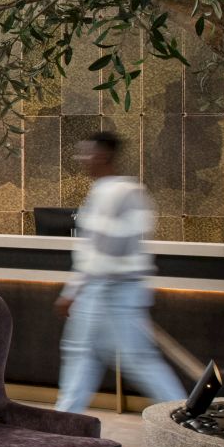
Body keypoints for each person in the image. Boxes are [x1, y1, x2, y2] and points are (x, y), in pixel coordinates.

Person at [55, 131, 186, 412]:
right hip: (105, 289)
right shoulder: (105, 191)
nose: (82, 159)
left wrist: (73, 290)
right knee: (84, 355)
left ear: (102, 156)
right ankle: (64, 422)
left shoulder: (123, 192)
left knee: (136, 360)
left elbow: (106, 250)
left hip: (112, 289)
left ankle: (182, 418)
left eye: (86, 153)